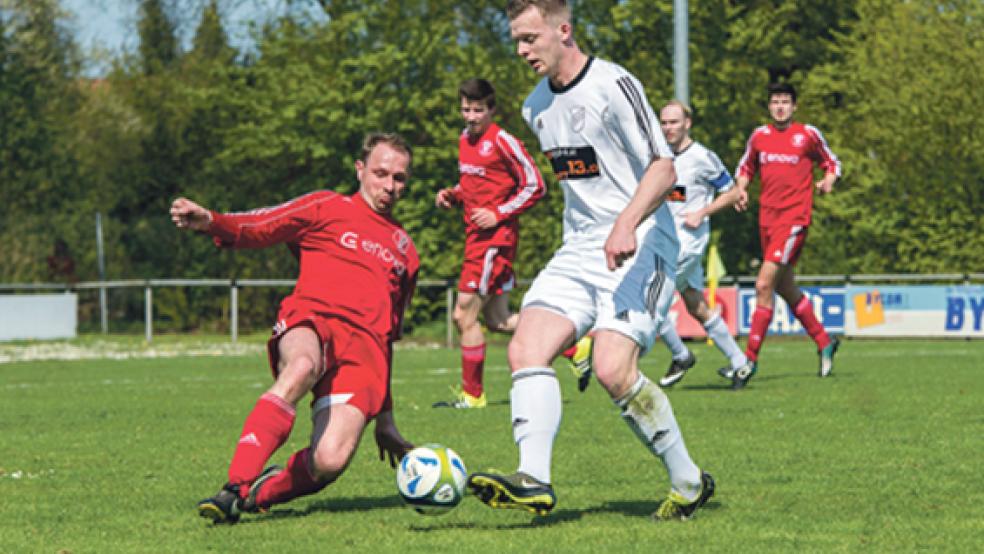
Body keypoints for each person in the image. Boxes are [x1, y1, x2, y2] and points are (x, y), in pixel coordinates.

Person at [467, 0, 714, 522]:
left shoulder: (613, 84)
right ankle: (533, 479)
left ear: (564, 30)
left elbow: (663, 169)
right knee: (525, 348)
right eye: (517, 40)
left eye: (530, 38)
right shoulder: (536, 106)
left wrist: (625, 223)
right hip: (579, 249)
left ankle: (688, 481)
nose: (522, 50)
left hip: (644, 241)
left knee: (612, 370)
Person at [171, 132, 419, 524]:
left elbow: (389, 337)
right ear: (360, 170)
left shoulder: (406, 250)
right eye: (381, 173)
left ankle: (257, 495)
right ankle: (234, 486)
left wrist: (385, 418)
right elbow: (263, 224)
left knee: (330, 460)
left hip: (364, 355)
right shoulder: (326, 205)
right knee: (301, 366)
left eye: (399, 178)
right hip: (314, 319)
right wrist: (212, 222)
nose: (389, 186)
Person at [432, 78, 546, 409]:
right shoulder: (464, 140)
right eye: (465, 109)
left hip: (493, 240)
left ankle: (473, 395)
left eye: (478, 110)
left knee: (462, 315)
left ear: (492, 110)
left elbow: (535, 185)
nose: (470, 116)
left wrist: (498, 213)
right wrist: (453, 195)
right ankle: (572, 345)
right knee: (499, 320)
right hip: (476, 238)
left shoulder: (503, 140)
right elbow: (473, 183)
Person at [732, 82, 842, 389]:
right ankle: (824, 341)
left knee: (763, 283)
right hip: (767, 219)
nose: (780, 106)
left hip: (794, 220)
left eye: (785, 102)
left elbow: (832, 162)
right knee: (786, 287)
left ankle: (748, 361)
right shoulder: (759, 136)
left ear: (794, 107)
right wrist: (741, 189)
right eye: (775, 102)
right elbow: (745, 168)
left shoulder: (807, 135)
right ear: (769, 106)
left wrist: (828, 180)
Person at [654, 100, 751, 388]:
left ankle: (681, 354)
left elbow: (732, 192)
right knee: (695, 305)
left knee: (650, 300)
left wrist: (702, 212)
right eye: (664, 123)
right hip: (666, 239)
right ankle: (740, 363)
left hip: (688, 242)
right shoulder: (660, 156)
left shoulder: (702, 157)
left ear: (688, 124)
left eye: (674, 122)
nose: (668, 128)